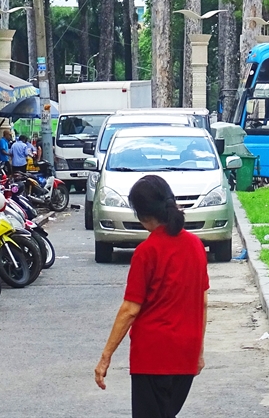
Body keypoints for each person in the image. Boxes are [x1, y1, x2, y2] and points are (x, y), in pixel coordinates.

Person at [94, 175, 209, 418]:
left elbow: (130, 310)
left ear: (141, 215)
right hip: (186, 353)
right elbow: (203, 302)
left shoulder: (147, 252)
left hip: (153, 355)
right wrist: (198, 351)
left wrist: (106, 356)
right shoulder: (196, 245)